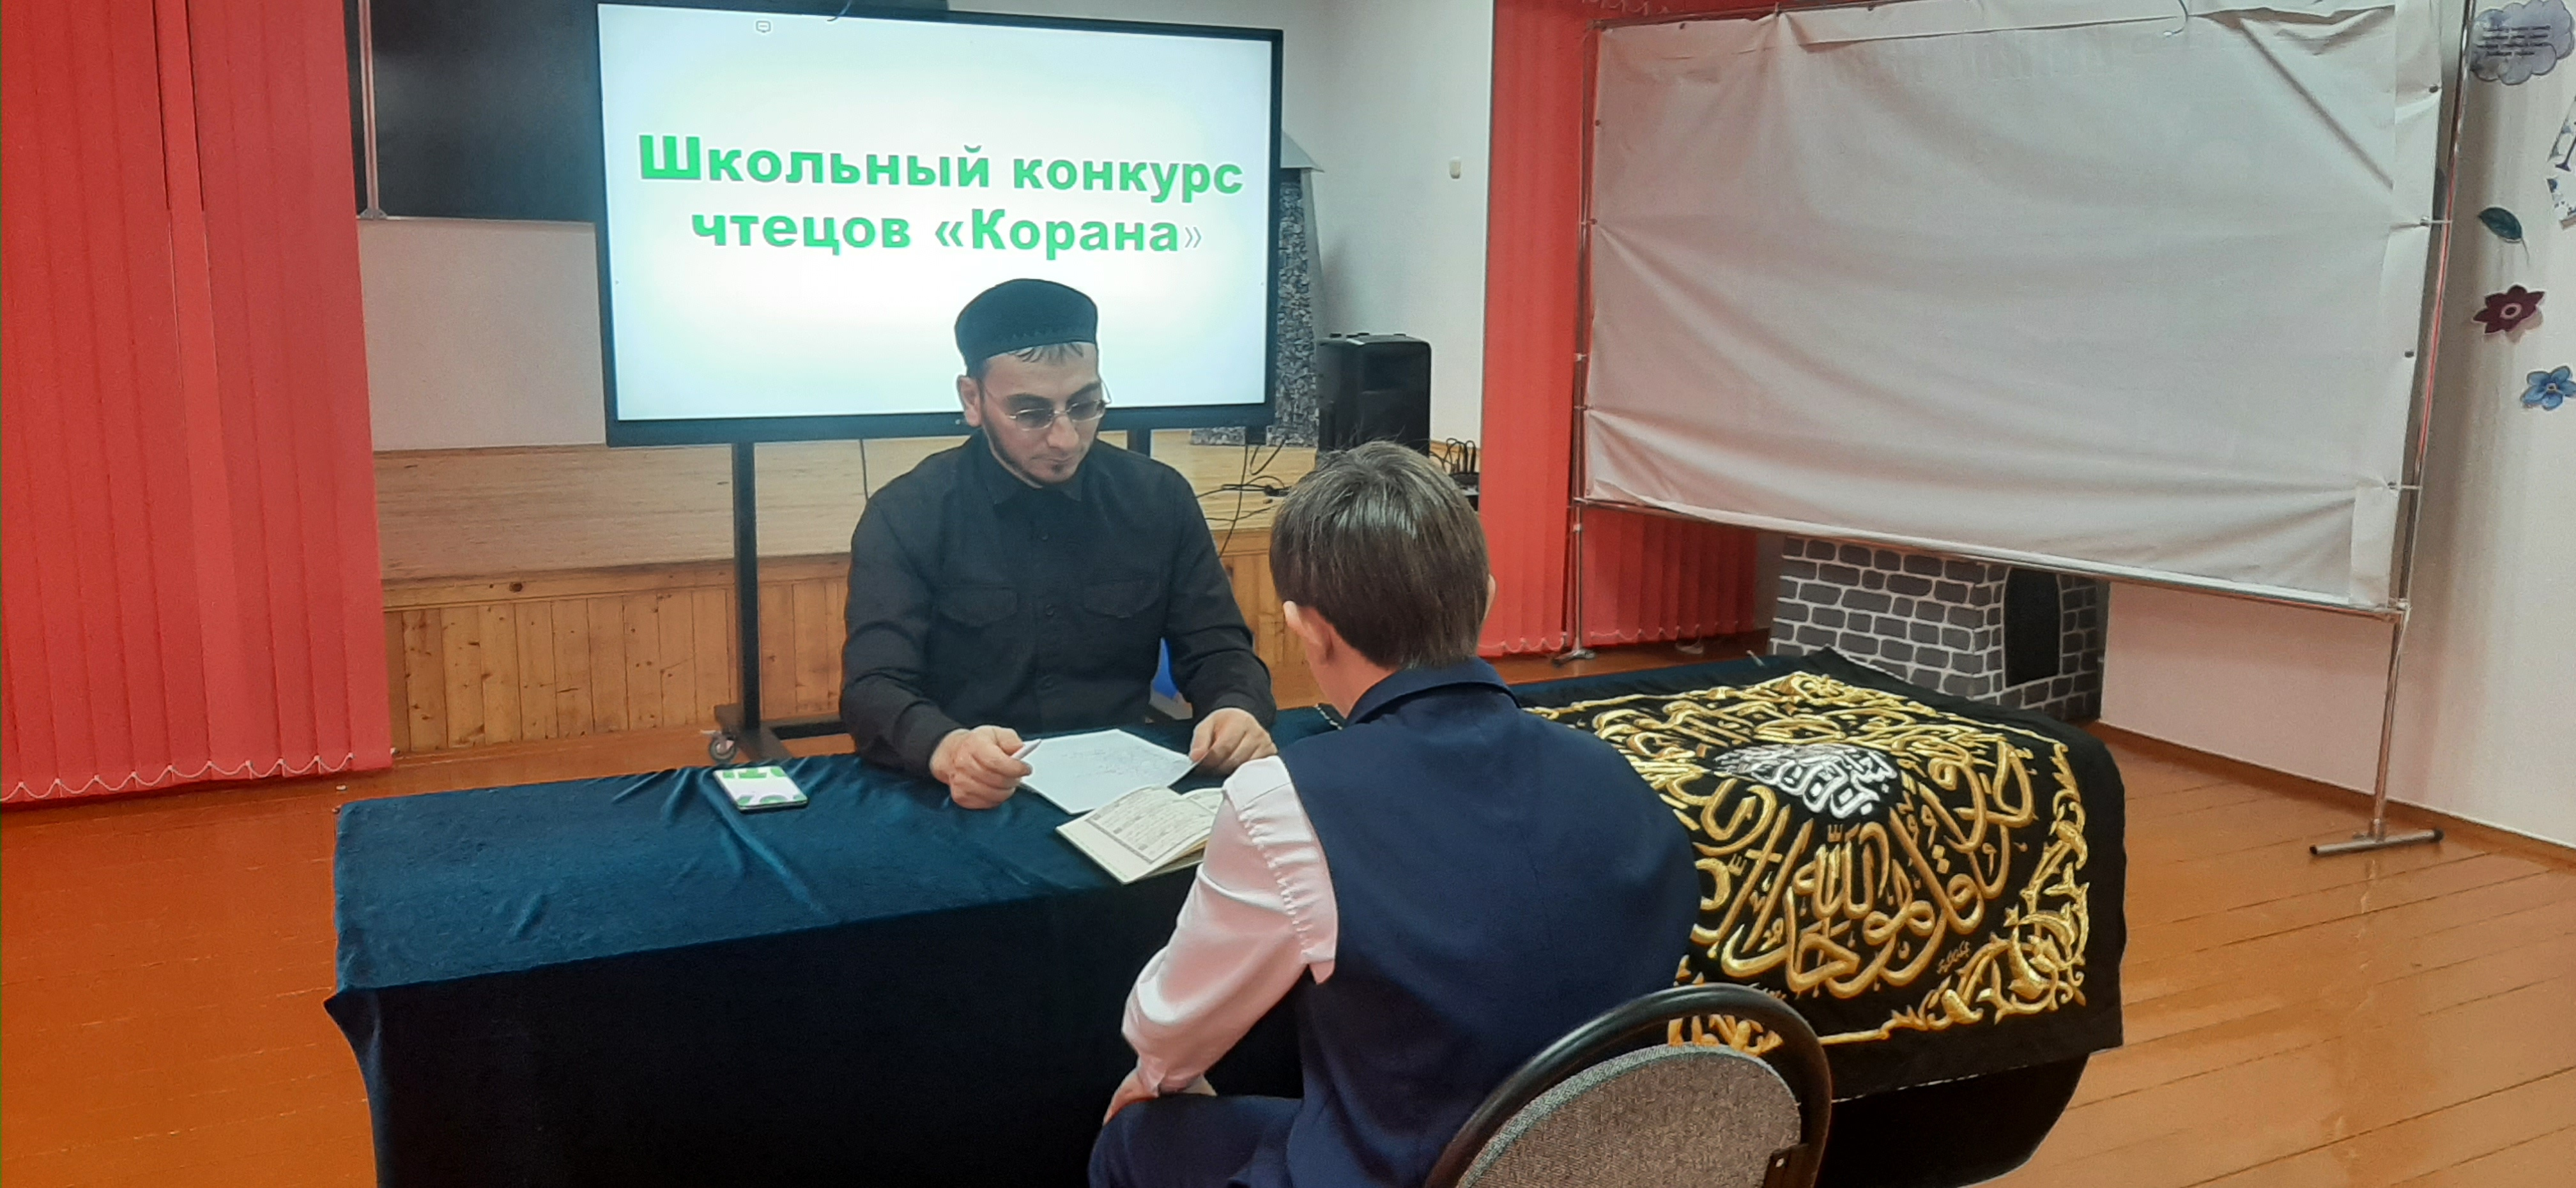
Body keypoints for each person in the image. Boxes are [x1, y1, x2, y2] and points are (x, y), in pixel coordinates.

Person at [1088, 443, 1700, 1188]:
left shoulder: (1285, 801)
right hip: (1616, 1161)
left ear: (1307, 629)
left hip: (1422, 1169)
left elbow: (1166, 1029)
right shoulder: (1617, 773)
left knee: (1134, 1138)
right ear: (1487, 598)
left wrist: (1157, 1076)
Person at [839, 278, 1278, 809]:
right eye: (1031, 413)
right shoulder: (908, 513)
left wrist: (1235, 708)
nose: (1065, 438)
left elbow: (1218, 647)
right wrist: (947, 748)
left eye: (1085, 405)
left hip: (1123, 794)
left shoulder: (1157, 499)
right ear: (973, 399)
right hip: (967, 794)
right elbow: (874, 687)